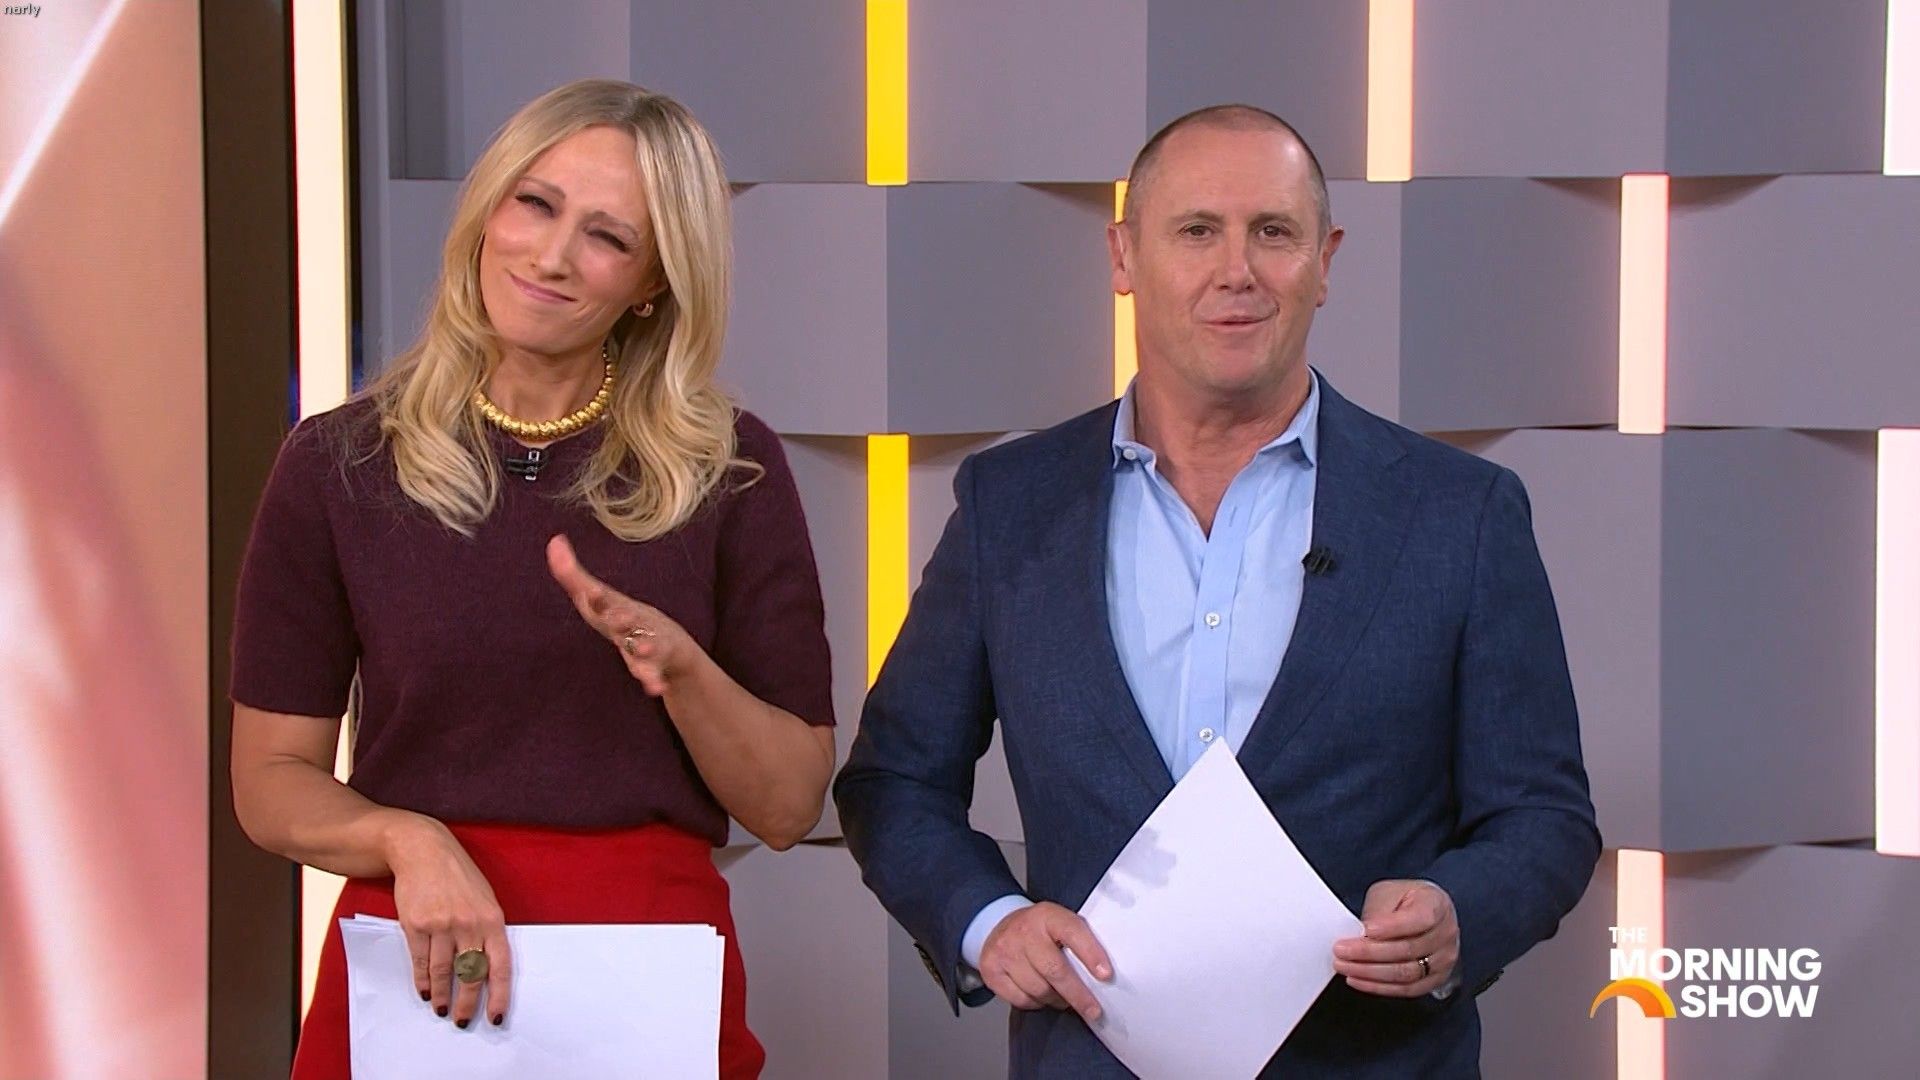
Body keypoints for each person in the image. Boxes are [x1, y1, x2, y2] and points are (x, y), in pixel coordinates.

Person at [834, 104, 1601, 1077]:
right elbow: (893, 782)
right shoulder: (1008, 506)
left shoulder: (1463, 513)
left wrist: (1458, 915)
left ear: (1325, 262)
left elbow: (1544, 818)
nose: (1237, 269)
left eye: (1272, 232)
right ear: (1123, 257)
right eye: (1196, 230)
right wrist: (988, 922)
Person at [229, 79, 835, 1080]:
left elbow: (786, 807)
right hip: (415, 955)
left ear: (653, 282)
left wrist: (683, 669)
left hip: (642, 967)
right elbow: (269, 783)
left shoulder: (730, 469)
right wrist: (408, 842)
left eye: (607, 237)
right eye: (535, 204)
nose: (552, 256)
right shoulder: (337, 463)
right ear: (486, 212)